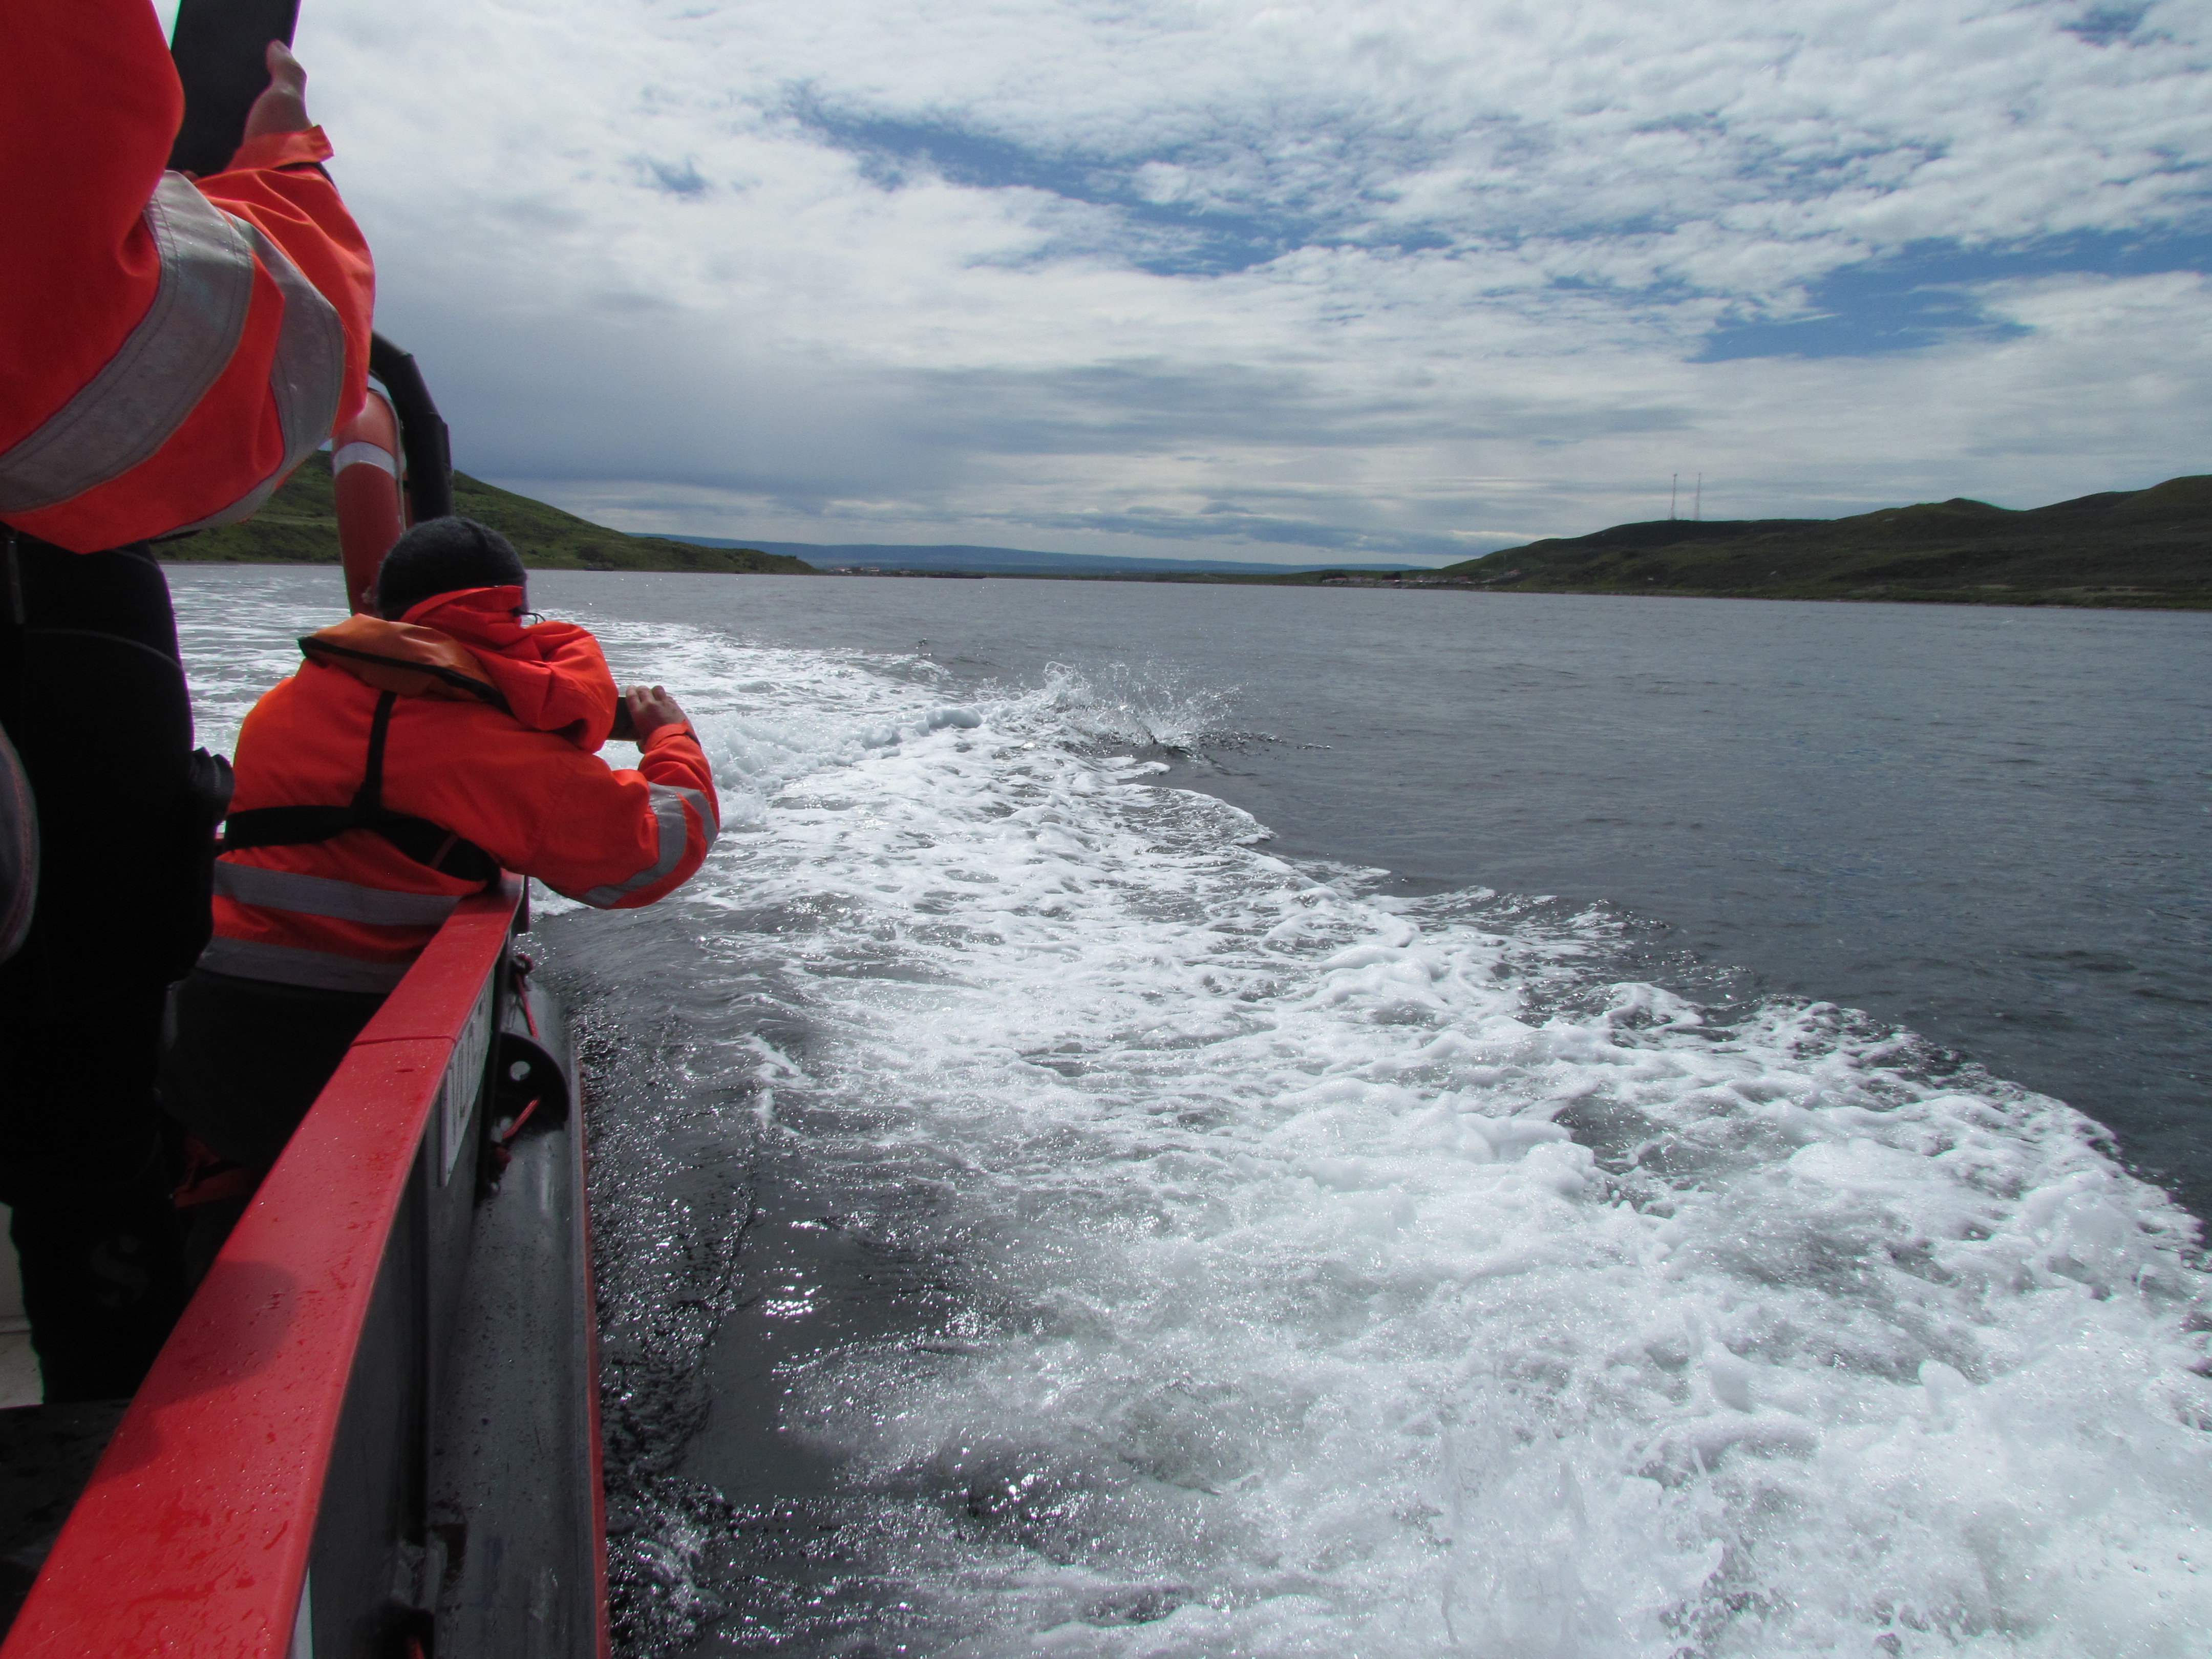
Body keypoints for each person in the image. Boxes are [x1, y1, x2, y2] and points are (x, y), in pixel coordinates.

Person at [0, 2, 375, 1399]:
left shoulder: (307, 713)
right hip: (60, 668)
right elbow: (130, 376)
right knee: (84, 1125)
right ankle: (111, 1411)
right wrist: (285, 167)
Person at [163, 517, 720, 1272]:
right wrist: (669, 737)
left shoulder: (283, 704)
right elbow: (652, 854)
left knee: (231, 1228)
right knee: (336, 1256)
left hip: (217, 1018)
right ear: (513, 614)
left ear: (379, 605)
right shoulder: (482, 740)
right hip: (362, 1034)